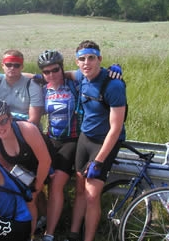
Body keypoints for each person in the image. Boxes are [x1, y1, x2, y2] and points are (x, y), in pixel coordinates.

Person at [65, 40, 127, 241]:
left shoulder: (113, 84)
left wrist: (99, 161)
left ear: (100, 59)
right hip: (85, 138)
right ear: (77, 62)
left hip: (105, 142)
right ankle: (74, 234)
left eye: (91, 58)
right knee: (80, 188)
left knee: (92, 195)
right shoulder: (81, 77)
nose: (86, 63)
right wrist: (14, 75)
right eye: (82, 59)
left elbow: (116, 128)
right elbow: (57, 74)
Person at [0, 99, 52, 241]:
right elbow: (7, 167)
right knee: (19, 198)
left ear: (10, 117)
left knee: (30, 199)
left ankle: (31, 235)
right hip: (22, 170)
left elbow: (45, 161)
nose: (0, 128)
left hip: (43, 163)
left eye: (3, 121)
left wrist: (36, 188)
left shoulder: (27, 130)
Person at [35, 50, 80, 241]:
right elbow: (24, 76)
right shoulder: (43, 89)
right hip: (51, 140)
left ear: (62, 68)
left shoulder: (74, 85)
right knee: (34, 180)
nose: (51, 75)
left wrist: (114, 70)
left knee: (56, 185)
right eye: (46, 72)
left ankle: (50, 234)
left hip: (71, 141)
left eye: (55, 70)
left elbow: (88, 72)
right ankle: (46, 216)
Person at [0, 49, 44, 126]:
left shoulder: (32, 86)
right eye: (8, 65)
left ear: (22, 67)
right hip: (2, 130)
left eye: (16, 65)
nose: (12, 68)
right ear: (2, 66)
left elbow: (34, 120)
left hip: (28, 130)